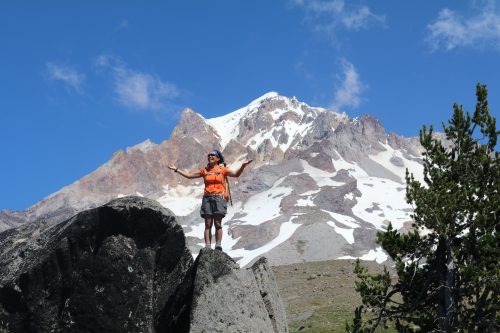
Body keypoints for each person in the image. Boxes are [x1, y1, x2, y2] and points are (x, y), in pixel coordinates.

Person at [168, 150, 252, 251]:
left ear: (218, 158)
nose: (210, 156)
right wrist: (176, 170)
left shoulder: (223, 170)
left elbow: (236, 174)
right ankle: (207, 246)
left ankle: (218, 245)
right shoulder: (205, 171)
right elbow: (189, 176)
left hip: (219, 198)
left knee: (218, 223)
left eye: (213, 155)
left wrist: (243, 166)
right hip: (207, 198)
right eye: (209, 155)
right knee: (208, 223)